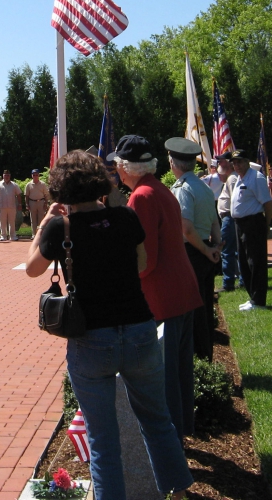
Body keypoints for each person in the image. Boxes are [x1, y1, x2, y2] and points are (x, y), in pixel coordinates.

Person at [25, 150, 193, 500]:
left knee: (103, 441)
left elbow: (32, 268)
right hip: (139, 329)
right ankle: (177, 491)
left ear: (61, 188)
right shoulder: (126, 218)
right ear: (100, 181)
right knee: (158, 421)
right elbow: (142, 263)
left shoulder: (60, 226)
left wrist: (43, 224)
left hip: (91, 339)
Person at [110, 135, 203, 444]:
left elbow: (145, 260)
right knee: (178, 376)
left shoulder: (142, 197)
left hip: (164, 298)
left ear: (127, 167)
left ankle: (171, 446)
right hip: (181, 293)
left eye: (117, 165)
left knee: (165, 381)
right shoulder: (159, 189)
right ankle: (179, 437)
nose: (115, 170)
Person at [166, 138, 223, 361]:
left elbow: (186, 227)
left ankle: (198, 358)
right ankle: (205, 354)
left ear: (173, 163)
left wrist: (205, 250)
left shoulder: (182, 189)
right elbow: (214, 222)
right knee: (205, 307)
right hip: (205, 250)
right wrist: (215, 247)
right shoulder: (204, 187)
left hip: (192, 251)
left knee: (192, 309)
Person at [223, 149, 272, 311]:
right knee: (244, 262)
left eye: (239, 162)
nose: (236, 165)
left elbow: (267, 203)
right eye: (234, 163)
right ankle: (253, 297)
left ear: (247, 162)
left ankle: (259, 300)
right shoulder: (239, 178)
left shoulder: (256, 178)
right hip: (240, 224)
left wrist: (266, 225)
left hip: (253, 223)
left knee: (255, 262)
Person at [205, 155, 241, 293]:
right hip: (230, 218)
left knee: (227, 250)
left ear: (228, 163)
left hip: (229, 218)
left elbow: (235, 200)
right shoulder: (232, 178)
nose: (219, 163)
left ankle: (228, 283)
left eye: (221, 161)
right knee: (234, 251)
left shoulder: (232, 179)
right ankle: (239, 280)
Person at [0, 169, 22, 241]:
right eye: (5, 175)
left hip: (12, 206)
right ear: (3, 175)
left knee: (12, 222)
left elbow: (18, 195)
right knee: (2, 222)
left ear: (10, 176)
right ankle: (3, 236)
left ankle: (13, 236)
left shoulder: (14, 185)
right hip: (2, 206)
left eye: (8, 175)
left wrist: (20, 204)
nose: (6, 177)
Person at [25, 168, 50, 236]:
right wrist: (27, 204)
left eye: (36, 175)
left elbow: (46, 195)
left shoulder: (43, 184)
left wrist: (46, 203)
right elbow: (26, 195)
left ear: (39, 175)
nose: (35, 176)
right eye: (34, 175)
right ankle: (34, 235)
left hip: (41, 202)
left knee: (41, 219)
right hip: (32, 202)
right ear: (32, 175)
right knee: (33, 220)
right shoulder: (28, 185)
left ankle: (40, 234)